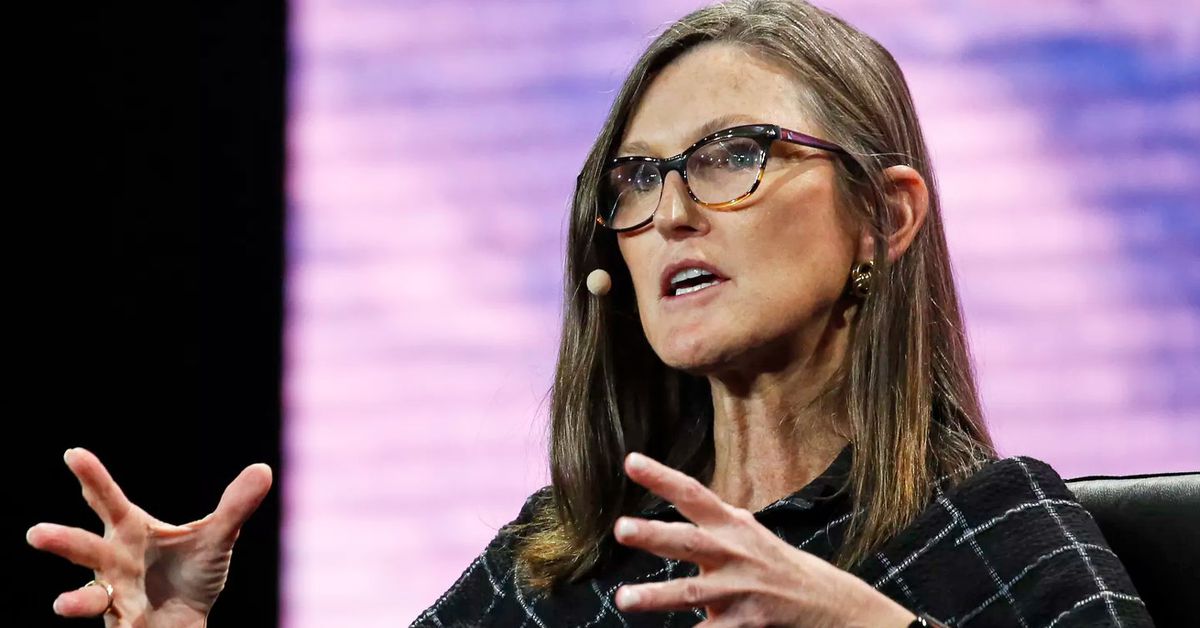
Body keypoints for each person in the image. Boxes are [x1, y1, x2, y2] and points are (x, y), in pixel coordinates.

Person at [28, 1, 1152, 626]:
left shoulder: (987, 532)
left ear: (885, 216)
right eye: (638, 178)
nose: (672, 212)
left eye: (734, 155)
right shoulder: (562, 563)